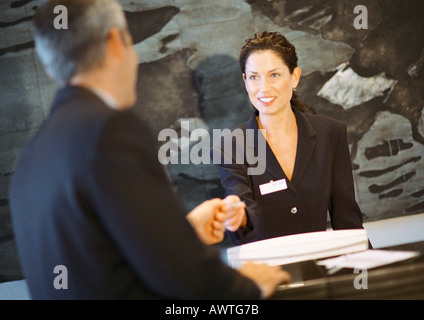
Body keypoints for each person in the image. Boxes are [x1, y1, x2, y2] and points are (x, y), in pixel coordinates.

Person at [9, 1, 290, 300]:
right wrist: (250, 286)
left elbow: (101, 257)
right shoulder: (110, 130)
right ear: (117, 41)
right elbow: (187, 279)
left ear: (52, 69)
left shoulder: (29, 160)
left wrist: (183, 232)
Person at [212, 31, 367, 245]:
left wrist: (368, 274)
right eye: (254, 77)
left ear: (294, 77)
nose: (263, 88)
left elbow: (348, 221)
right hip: (267, 272)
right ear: (245, 81)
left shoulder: (331, 133)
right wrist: (236, 218)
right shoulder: (230, 146)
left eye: (274, 75)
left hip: (320, 271)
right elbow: (243, 228)